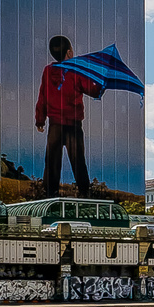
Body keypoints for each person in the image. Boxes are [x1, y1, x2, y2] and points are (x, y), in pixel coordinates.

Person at [35, 35, 102, 198]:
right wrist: (100, 82)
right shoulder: (75, 70)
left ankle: (50, 193)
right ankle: (84, 193)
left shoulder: (48, 71)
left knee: (51, 162)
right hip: (73, 125)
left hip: (55, 125)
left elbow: (42, 96)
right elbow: (92, 90)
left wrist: (40, 120)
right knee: (78, 161)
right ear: (69, 52)